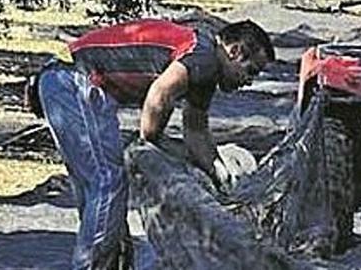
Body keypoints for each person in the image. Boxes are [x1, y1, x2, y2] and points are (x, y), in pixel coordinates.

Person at [33, 18, 274, 270]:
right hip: (75, 79)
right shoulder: (204, 57)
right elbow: (159, 95)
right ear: (234, 51)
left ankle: (112, 262)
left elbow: (196, 132)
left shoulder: (205, 67)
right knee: (107, 182)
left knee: (97, 187)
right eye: (251, 71)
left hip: (69, 79)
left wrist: (219, 176)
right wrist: (151, 141)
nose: (248, 82)